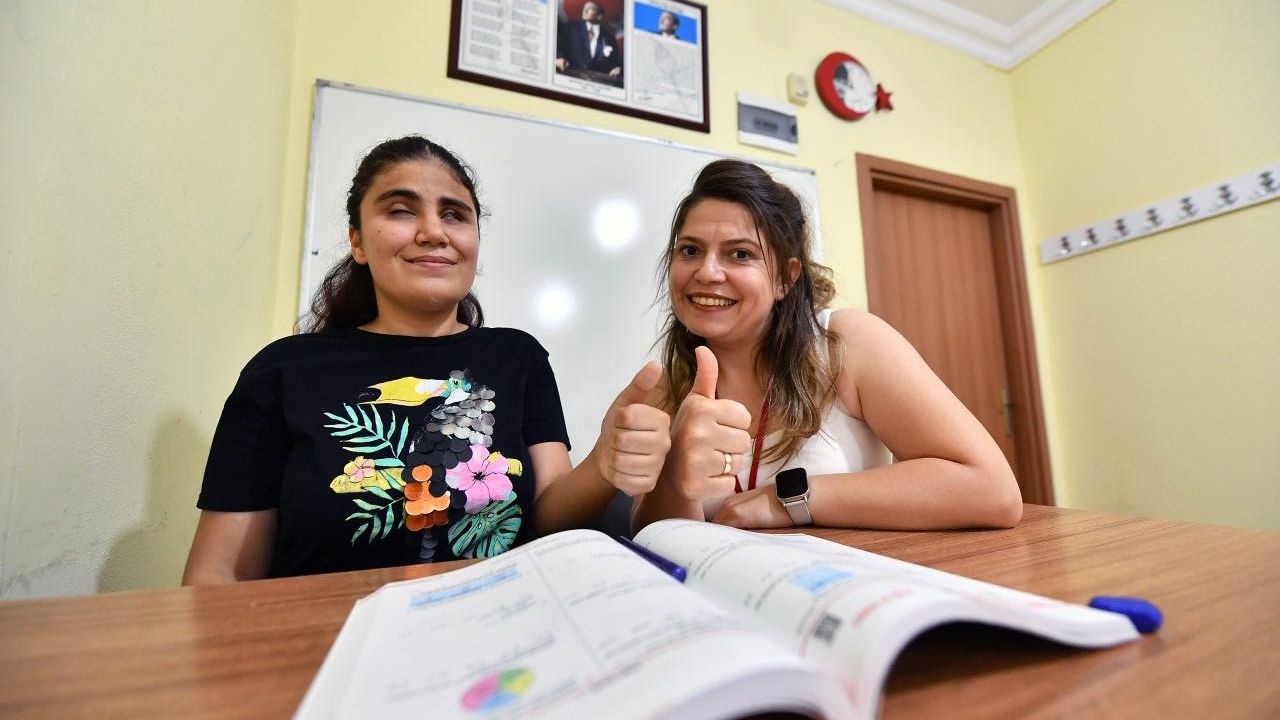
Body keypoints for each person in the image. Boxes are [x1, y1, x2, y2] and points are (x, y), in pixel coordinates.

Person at [183, 135, 669, 583]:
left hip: (493, 629)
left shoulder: (518, 357)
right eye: (401, 210)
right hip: (327, 637)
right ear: (357, 240)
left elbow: (548, 513)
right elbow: (217, 578)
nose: (434, 231)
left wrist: (604, 461)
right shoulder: (283, 371)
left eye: (455, 215)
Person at [632, 159, 1023, 532]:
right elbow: (652, 535)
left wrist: (788, 499)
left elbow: (992, 490)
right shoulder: (667, 387)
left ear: (785, 278)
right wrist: (674, 477)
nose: (707, 272)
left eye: (740, 254)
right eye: (690, 250)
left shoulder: (844, 343)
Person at [555, 1, 622, 82]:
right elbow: (558, 46)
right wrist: (558, 58)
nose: (585, 10)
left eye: (591, 8)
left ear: (600, 16)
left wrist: (617, 68)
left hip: (598, 81)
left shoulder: (609, 37)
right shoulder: (571, 27)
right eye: (585, 8)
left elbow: (615, 61)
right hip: (569, 76)